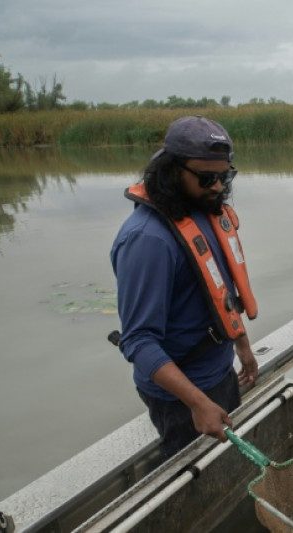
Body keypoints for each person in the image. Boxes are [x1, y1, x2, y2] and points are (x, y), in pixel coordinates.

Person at [111, 115, 259, 461]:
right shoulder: (147, 240)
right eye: (207, 178)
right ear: (172, 170)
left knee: (228, 466)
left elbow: (220, 291)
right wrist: (197, 403)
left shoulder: (204, 213)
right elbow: (138, 340)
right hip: (182, 399)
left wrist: (242, 345)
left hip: (220, 372)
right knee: (195, 481)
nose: (218, 187)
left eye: (225, 176)